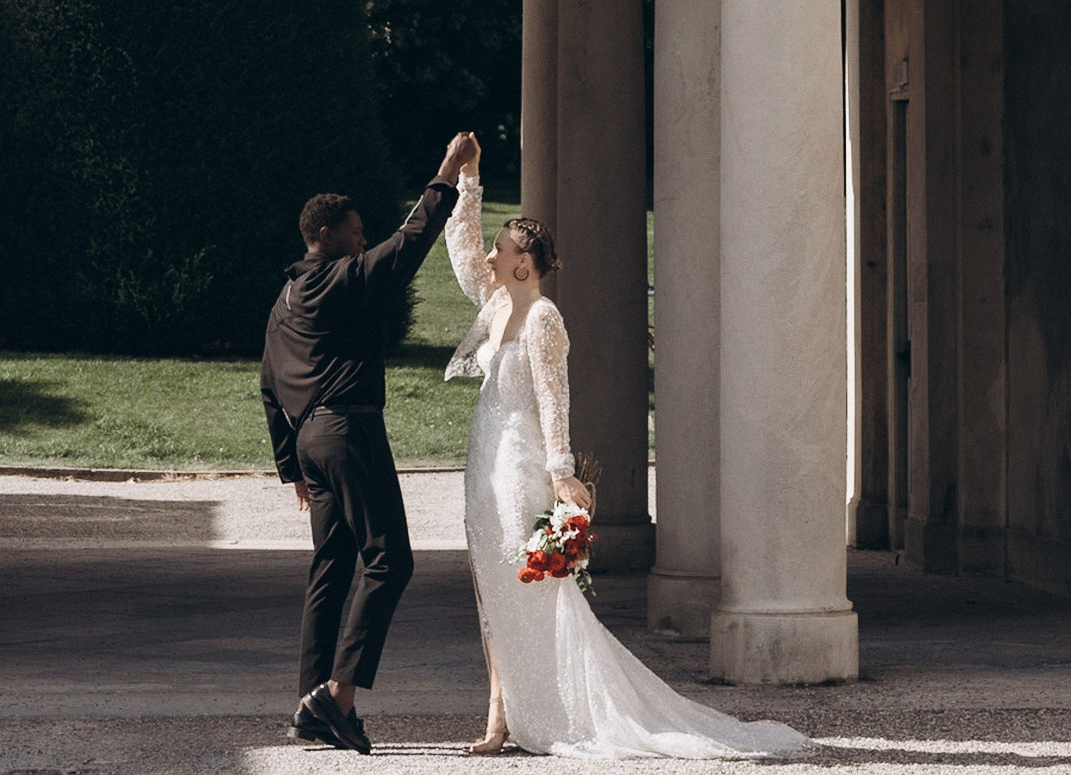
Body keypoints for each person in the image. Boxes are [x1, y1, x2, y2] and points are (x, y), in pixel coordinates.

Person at [442, 146, 812, 760]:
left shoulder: (543, 320)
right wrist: (469, 177)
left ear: (525, 264)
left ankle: (548, 709)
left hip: (519, 465)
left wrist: (561, 474)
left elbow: (555, 401)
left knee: (526, 585)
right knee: (489, 590)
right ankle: (499, 717)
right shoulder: (497, 302)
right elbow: (461, 251)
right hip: (483, 459)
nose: (491, 256)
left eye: (502, 249)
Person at [263, 129, 481, 756]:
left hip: (309, 441)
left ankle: (309, 706)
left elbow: (268, 385)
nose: (363, 239)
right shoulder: (344, 278)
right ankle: (337, 698)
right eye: (356, 232)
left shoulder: (284, 300)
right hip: (349, 430)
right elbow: (412, 241)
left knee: (330, 566)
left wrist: (292, 469)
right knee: (391, 560)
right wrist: (448, 166)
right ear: (328, 235)